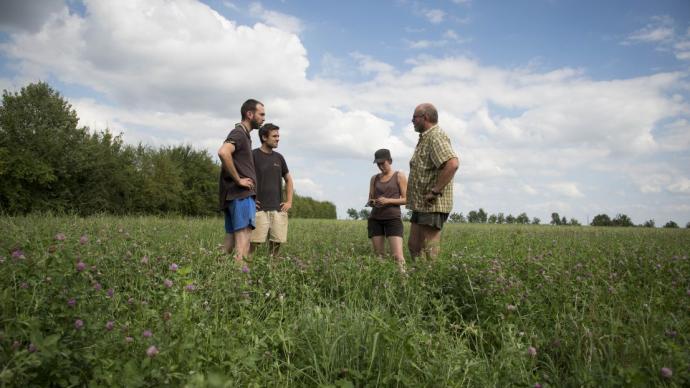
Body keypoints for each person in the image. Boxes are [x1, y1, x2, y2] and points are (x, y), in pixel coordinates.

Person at [406, 103, 460, 260]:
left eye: (414, 117)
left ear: (425, 117)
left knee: (429, 248)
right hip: (421, 204)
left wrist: (435, 191)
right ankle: (420, 278)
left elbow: (452, 164)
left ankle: (431, 280)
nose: (412, 120)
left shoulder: (435, 136)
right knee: (414, 246)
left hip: (432, 204)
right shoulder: (425, 138)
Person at [218, 99, 265, 265]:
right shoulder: (239, 133)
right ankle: (240, 286)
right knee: (243, 245)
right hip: (240, 196)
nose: (263, 118)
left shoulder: (244, 135)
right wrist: (239, 180)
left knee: (229, 243)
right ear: (249, 114)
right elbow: (224, 152)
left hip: (238, 197)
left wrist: (252, 196)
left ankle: (213, 275)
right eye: (261, 114)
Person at [250, 123, 294, 256]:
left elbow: (289, 180)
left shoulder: (279, 158)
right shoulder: (253, 155)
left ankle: (272, 273)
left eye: (278, 136)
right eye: (274, 136)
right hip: (258, 209)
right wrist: (249, 199)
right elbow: (244, 179)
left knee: (276, 246)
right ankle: (245, 274)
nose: (278, 138)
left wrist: (289, 202)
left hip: (278, 209)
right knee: (253, 245)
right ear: (264, 137)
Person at [367, 148, 408, 272]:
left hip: (393, 219)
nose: (380, 166)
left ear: (390, 161)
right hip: (376, 219)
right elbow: (370, 199)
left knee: (398, 257)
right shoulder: (374, 178)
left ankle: (404, 283)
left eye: (382, 163)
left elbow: (407, 200)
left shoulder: (399, 176)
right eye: (378, 164)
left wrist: (388, 200)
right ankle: (383, 284)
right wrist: (373, 202)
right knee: (379, 257)